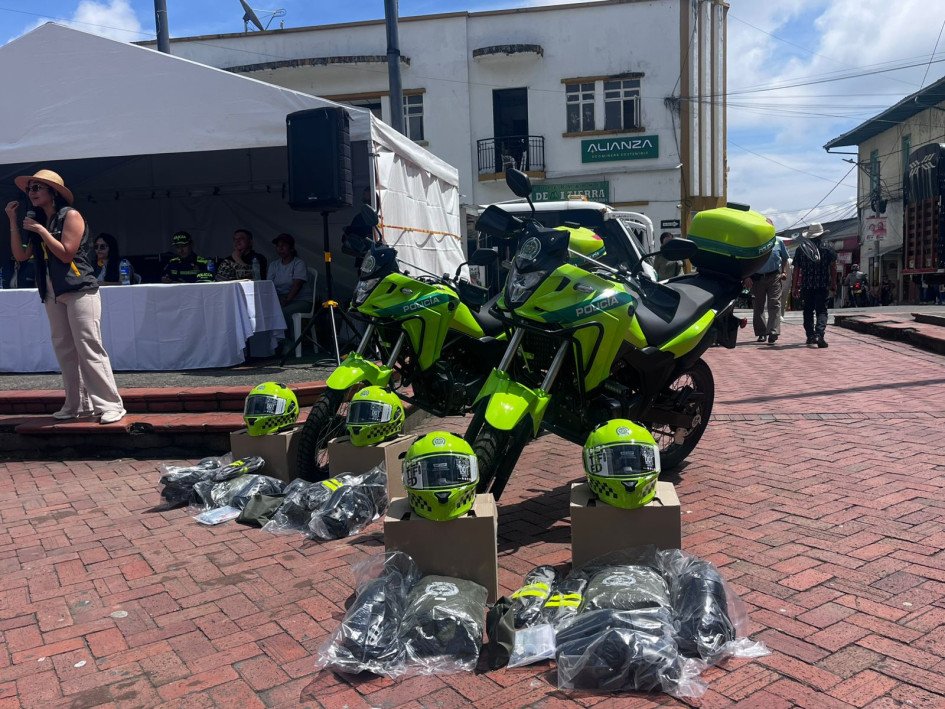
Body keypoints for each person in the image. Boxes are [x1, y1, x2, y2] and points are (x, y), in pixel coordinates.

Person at [5, 169, 125, 423]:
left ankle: (110, 404)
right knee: (64, 348)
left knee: (88, 346)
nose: (31, 192)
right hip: (51, 289)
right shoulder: (38, 219)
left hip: (79, 287)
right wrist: (13, 221)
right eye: (30, 188)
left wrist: (41, 231)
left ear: (53, 192)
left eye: (37, 187)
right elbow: (21, 256)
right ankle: (77, 404)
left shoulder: (70, 215)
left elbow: (66, 253)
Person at [791, 222, 836, 349]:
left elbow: (796, 269)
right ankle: (819, 335)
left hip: (807, 285)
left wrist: (794, 286)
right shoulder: (828, 248)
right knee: (821, 310)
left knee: (808, 311)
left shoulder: (801, 249)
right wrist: (834, 283)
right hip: (822, 285)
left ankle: (810, 335)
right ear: (821, 235)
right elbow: (833, 267)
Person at [268, 233, 314, 353]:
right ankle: (272, 344)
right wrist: (277, 300)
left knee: (283, 312)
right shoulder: (274, 265)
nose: (280, 248)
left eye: (284, 245)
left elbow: (297, 285)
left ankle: (289, 342)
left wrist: (287, 300)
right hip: (281, 300)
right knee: (267, 311)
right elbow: (269, 285)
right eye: (278, 246)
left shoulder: (298, 263)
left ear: (292, 248)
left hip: (301, 300)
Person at [746, 235, 789, 344]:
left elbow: (785, 257)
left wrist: (784, 271)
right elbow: (746, 259)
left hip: (774, 276)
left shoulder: (778, 241)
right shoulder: (755, 241)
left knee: (774, 303)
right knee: (758, 305)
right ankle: (761, 333)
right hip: (757, 278)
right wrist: (747, 276)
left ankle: (773, 332)